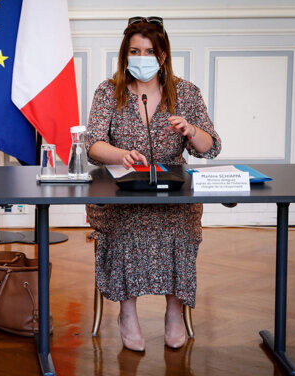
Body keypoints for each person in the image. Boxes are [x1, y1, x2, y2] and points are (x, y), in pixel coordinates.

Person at [86, 17, 221, 352]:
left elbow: (211, 146)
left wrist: (190, 130)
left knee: (180, 225)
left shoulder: (186, 92)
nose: (140, 57)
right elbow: (92, 145)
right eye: (134, 50)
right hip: (122, 194)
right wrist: (120, 155)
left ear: (162, 56)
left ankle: (175, 312)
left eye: (148, 51)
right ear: (125, 54)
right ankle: (127, 313)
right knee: (125, 224)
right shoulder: (108, 90)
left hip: (173, 192)